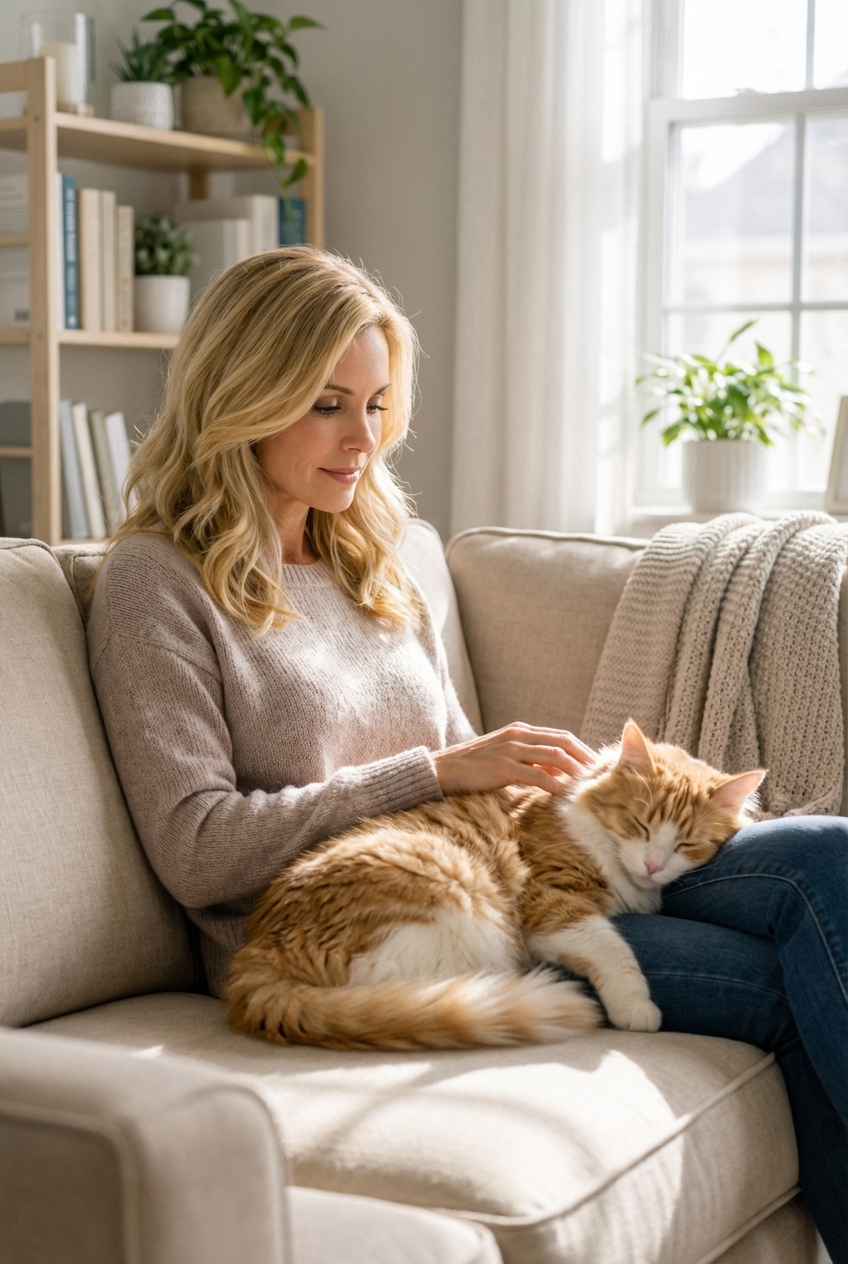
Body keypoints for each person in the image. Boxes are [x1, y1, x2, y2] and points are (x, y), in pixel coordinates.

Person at [88, 247, 847, 1263]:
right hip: (363, 927)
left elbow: (457, 758)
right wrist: (437, 774)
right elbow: (195, 846)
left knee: (822, 858)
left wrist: (550, 786)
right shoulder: (156, 583)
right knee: (785, 985)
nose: (364, 440)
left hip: (496, 865)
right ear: (242, 394)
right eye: (327, 405)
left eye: (376, 403)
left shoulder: (372, 550)